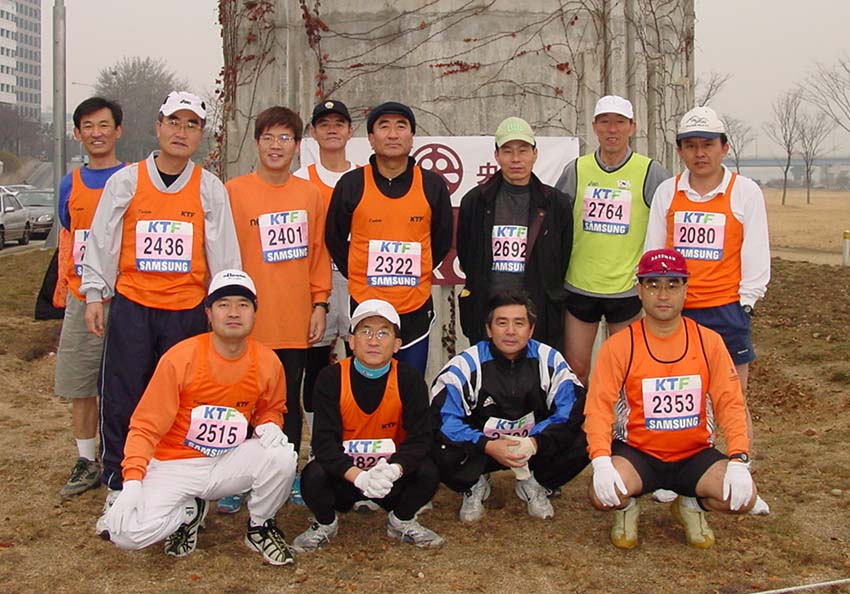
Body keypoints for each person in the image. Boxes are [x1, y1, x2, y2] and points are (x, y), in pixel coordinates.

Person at [80, 90, 241, 534]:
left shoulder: (209, 187)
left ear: (201, 135)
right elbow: (103, 239)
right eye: (174, 122)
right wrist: (95, 294)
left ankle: (182, 487)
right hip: (133, 305)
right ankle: (120, 482)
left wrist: (224, 306)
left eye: (192, 125)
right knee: (123, 396)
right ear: (158, 126)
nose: (181, 132)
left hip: (186, 311)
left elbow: (224, 253)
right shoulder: (127, 181)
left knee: (186, 402)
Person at [104, 269, 298, 565]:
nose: (233, 313)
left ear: (255, 312)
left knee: (282, 456)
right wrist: (131, 481)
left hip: (228, 461)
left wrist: (270, 424)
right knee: (125, 534)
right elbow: (145, 427)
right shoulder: (179, 359)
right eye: (223, 305)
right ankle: (188, 512)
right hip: (174, 464)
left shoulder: (268, 362)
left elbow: (271, 408)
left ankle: (260, 526)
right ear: (208, 313)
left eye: (243, 305)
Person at [584, 248, 757, 549]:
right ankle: (627, 509)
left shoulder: (709, 342)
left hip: (695, 454)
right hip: (637, 453)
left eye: (672, 285)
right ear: (639, 290)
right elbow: (598, 407)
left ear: (685, 290)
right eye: (653, 285)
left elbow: (731, 403)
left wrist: (739, 459)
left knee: (743, 499)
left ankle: (691, 506)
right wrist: (600, 461)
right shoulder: (620, 345)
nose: (663, 295)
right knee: (603, 495)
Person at [225, 106, 332, 508]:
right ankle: (235, 479)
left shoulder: (310, 195)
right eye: (268, 137)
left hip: (293, 319)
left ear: (297, 146)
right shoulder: (234, 192)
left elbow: (318, 254)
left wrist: (320, 303)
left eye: (285, 138)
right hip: (244, 322)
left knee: (286, 402)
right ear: (256, 143)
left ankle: (287, 474)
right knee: (240, 402)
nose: (276, 146)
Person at [291, 299, 444, 552]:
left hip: (389, 476)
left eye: (383, 333)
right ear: (351, 341)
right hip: (346, 477)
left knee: (429, 470)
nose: (374, 341)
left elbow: (420, 438)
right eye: (366, 332)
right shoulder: (331, 378)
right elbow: (324, 443)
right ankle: (326, 523)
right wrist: (359, 477)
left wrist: (394, 470)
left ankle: (401, 520)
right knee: (313, 476)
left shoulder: (409, 379)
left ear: (397, 344)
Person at [430, 289, 588, 523]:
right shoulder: (465, 365)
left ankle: (536, 482)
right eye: (502, 323)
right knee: (433, 441)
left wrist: (535, 442)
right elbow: (443, 417)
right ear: (489, 329)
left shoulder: (549, 359)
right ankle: (473, 483)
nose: (511, 331)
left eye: (519, 323)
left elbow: (571, 408)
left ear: (531, 329)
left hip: (531, 447)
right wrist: (486, 445)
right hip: (482, 449)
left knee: (588, 436)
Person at [645, 106, 770, 393]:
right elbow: (653, 253)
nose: (699, 153)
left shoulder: (745, 191)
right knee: (681, 393)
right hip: (676, 309)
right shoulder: (667, 191)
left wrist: (746, 304)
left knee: (732, 399)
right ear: (680, 151)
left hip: (726, 309)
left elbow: (756, 252)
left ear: (724, 148)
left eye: (708, 144)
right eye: (691, 146)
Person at [325, 101, 453, 375]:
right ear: (371, 138)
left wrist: (419, 270)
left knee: (409, 385)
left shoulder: (431, 185)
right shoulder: (351, 184)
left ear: (412, 136)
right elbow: (334, 238)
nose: (393, 134)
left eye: (401, 126)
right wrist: (358, 272)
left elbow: (442, 240)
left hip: (414, 306)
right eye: (384, 126)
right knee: (365, 385)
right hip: (366, 304)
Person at [555, 95, 671, 385]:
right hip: (580, 285)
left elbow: (668, 223)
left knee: (625, 371)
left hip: (626, 289)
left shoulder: (650, 172)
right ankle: (580, 416)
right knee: (576, 370)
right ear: (595, 126)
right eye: (605, 122)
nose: (612, 129)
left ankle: (619, 417)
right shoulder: (576, 169)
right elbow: (555, 223)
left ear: (632, 127)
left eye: (620, 122)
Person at [55, 97, 126, 497]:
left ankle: (130, 453)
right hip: (84, 297)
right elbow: (70, 229)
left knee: (129, 379)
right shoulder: (71, 183)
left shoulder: (133, 178)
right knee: (81, 383)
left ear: (118, 130)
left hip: (126, 295)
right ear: (77, 133)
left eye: (104, 125)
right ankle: (86, 459)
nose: (96, 133)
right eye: (88, 126)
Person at [456, 116, 572, 348]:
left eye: (523, 150)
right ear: (497, 155)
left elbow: (563, 258)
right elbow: (467, 255)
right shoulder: (475, 201)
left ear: (535, 154)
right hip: (487, 311)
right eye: (508, 151)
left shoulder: (556, 203)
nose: (516, 159)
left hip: (540, 312)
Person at [293, 99, 358, 441]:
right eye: (324, 124)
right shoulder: (301, 179)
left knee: (361, 361)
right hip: (315, 282)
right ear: (313, 133)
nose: (332, 129)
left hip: (356, 278)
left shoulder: (365, 176)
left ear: (350, 131)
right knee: (315, 365)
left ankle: (357, 439)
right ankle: (320, 443)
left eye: (339, 123)